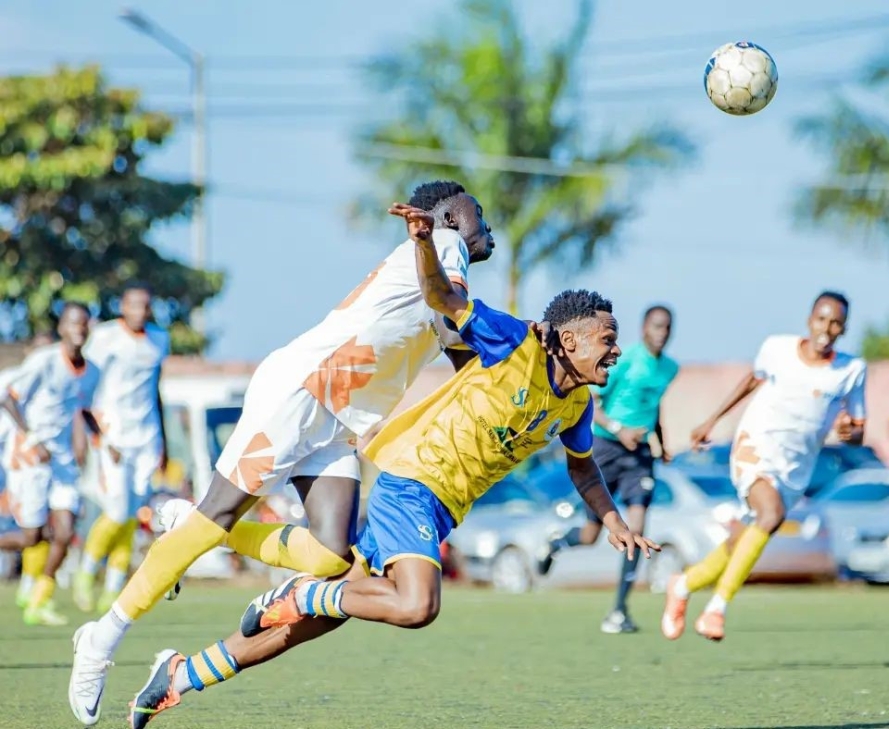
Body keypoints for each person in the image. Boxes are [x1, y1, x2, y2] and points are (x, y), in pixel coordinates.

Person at [122, 203, 658, 729]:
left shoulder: (576, 407)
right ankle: (299, 590)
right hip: (413, 481)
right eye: (608, 340)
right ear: (569, 339)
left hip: (440, 506)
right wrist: (424, 242)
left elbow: (584, 470)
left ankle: (180, 675)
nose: (616, 350)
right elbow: (441, 295)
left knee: (317, 622)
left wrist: (613, 522)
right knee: (416, 605)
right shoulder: (515, 342)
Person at [68, 180, 494, 727]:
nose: (484, 222)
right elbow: (444, 299)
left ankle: (180, 519)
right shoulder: (442, 246)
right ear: (445, 216)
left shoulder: (446, 283)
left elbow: (472, 357)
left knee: (330, 558)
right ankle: (101, 639)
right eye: (475, 211)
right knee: (220, 511)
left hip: (337, 418)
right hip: (303, 390)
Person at [661, 291, 866, 643]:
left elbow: (859, 431)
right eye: (822, 319)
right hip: (755, 448)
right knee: (769, 515)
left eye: (835, 323)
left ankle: (683, 584)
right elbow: (751, 381)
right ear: (809, 319)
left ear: (843, 329)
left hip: (795, 470)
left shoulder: (850, 371)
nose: (827, 328)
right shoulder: (778, 348)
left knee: (744, 539)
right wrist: (711, 420)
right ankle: (716, 609)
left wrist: (850, 432)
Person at [540, 305, 679, 634]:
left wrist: (662, 441)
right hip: (606, 446)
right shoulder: (625, 359)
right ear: (644, 328)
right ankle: (557, 544)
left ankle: (619, 610)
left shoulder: (670, 368)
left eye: (667, 328)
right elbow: (594, 405)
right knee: (591, 536)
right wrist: (619, 429)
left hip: (640, 454)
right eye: (656, 326)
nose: (661, 333)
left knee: (637, 529)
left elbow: (652, 406)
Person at [0, 304, 103, 626]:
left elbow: (81, 408)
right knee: (31, 537)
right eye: (73, 323)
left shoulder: (93, 371)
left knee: (65, 529)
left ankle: (38, 601)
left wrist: (100, 439)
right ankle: (34, 594)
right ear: (62, 328)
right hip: (30, 456)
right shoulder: (44, 362)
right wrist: (33, 438)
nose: (79, 329)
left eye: (84, 324)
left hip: (61, 461)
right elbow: (8, 398)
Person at [73, 283, 171, 614]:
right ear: (122, 307)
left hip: (147, 436)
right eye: (134, 305)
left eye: (145, 306)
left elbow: (156, 388)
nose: (140, 312)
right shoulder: (104, 337)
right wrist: (97, 434)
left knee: (131, 514)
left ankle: (114, 587)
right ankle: (85, 572)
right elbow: (85, 388)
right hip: (113, 433)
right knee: (116, 510)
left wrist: (164, 442)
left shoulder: (159, 339)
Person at [0, 330, 56, 609]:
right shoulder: (12, 379)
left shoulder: (54, 380)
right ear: (28, 352)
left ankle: (30, 588)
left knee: (42, 531)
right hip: (15, 465)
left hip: (38, 466)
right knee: (33, 533)